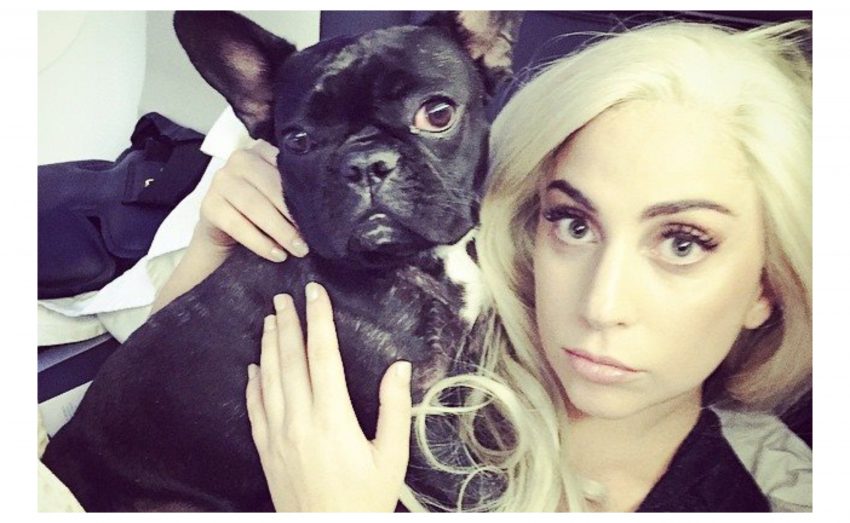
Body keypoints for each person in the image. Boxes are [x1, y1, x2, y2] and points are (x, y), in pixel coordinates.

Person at [154, 20, 812, 512]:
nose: (602, 304)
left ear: (767, 283)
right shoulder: (436, 326)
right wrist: (213, 248)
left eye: (683, 243)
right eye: (573, 223)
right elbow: (157, 413)